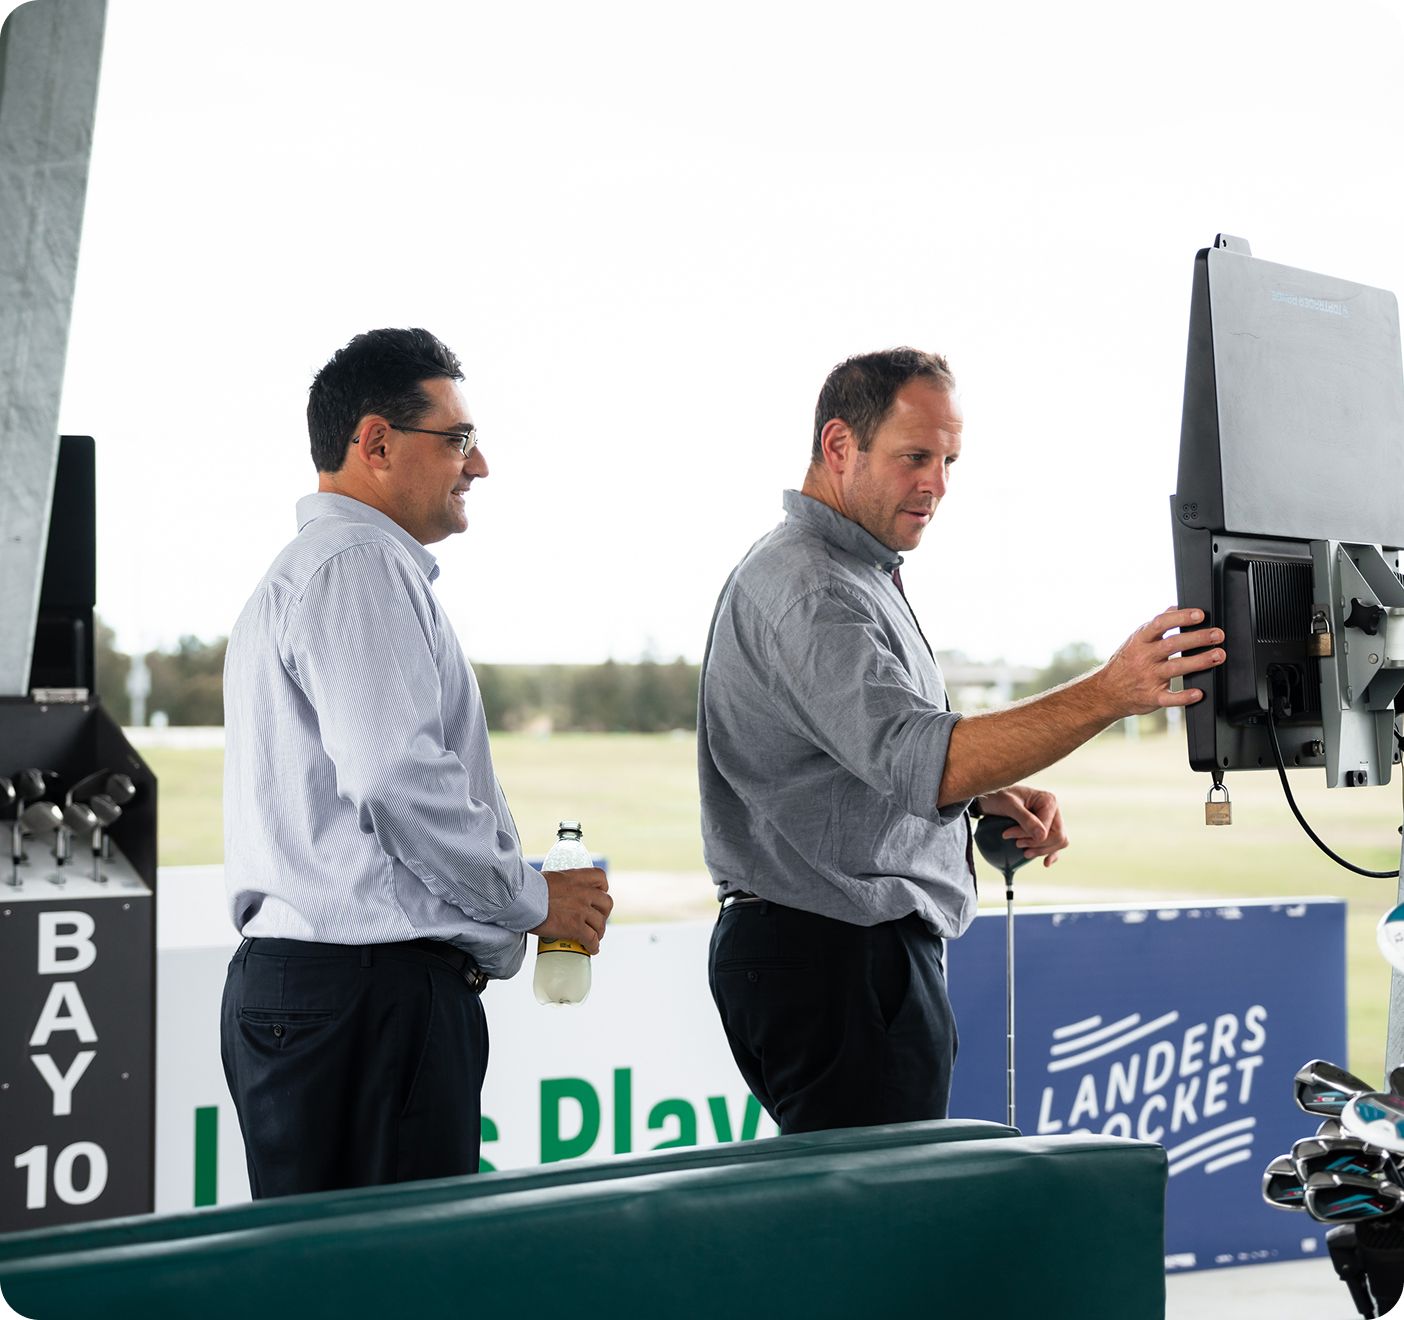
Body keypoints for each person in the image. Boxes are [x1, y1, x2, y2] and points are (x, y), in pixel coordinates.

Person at [699, 347, 1225, 1135]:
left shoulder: (854, 569)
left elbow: (876, 755)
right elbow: (921, 757)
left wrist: (985, 790)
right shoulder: (811, 586)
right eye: (916, 457)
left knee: (878, 1223)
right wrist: (1110, 692)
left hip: (839, 952)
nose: (937, 485)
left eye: (949, 461)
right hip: (834, 955)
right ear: (840, 447)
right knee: (884, 1233)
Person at [220, 328, 612, 1197]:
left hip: (325, 994)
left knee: (324, 1281)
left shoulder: (308, 571)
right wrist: (533, 898)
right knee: (384, 1282)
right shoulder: (358, 562)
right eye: (460, 439)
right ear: (377, 444)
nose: (479, 467)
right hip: (369, 999)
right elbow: (396, 777)